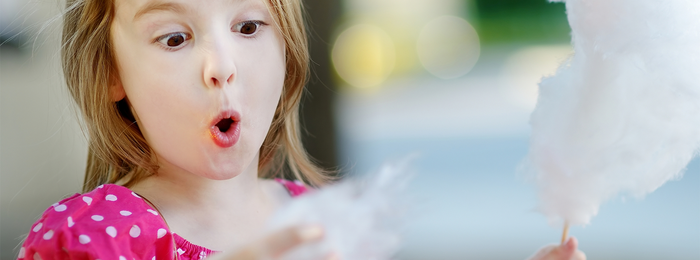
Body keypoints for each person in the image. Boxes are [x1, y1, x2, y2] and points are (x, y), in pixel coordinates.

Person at [17, 0, 585, 259]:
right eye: (174, 37)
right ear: (114, 72)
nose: (221, 66)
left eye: (247, 25)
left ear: (285, 48)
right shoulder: (91, 236)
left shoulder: (317, 223)